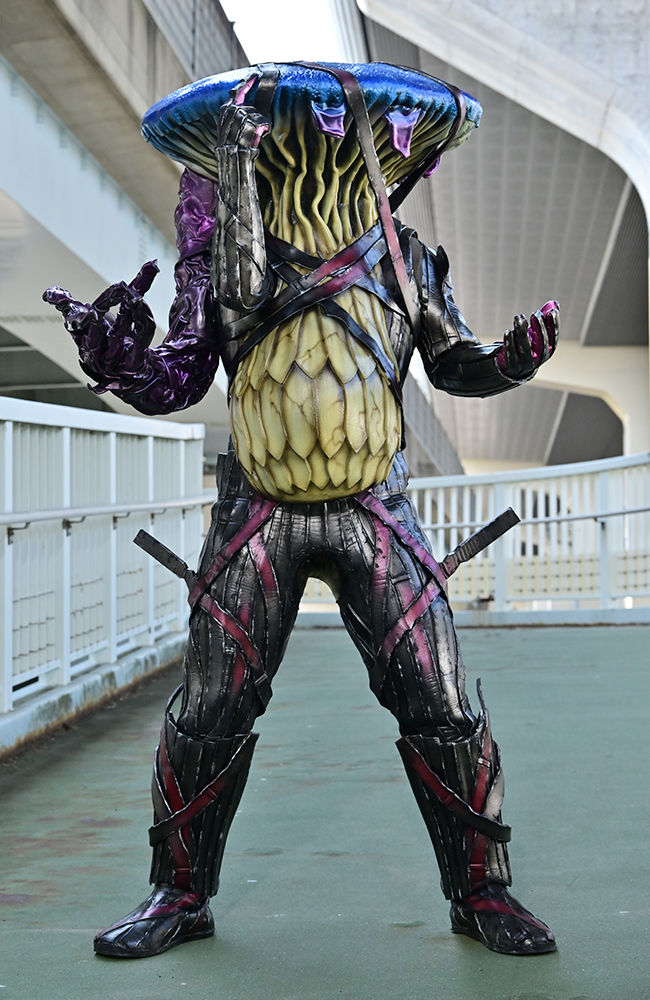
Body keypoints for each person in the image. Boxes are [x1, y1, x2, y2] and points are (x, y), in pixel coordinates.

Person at [45, 62, 559, 958]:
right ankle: (178, 894)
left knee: (438, 695)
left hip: (375, 507)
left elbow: (454, 362)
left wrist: (510, 360)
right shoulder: (215, 265)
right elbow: (179, 377)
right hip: (259, 510)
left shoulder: (404, 257)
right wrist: (120, 362)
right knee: (210, 703)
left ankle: (484, 891)